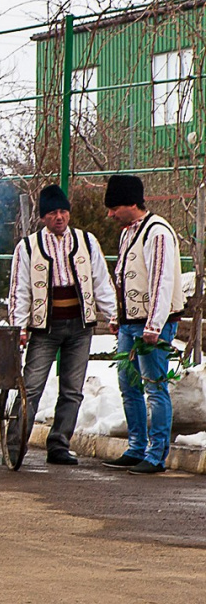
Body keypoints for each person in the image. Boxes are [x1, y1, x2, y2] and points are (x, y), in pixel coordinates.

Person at [7, 184, 116, 466]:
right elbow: (20, 290)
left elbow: (101, 280)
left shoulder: (86, 241)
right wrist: (18, 326)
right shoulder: (28, 247)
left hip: (79, 326)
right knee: (31, 386)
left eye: (63, 211)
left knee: (72, 388)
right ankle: (15, 444)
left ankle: (59, 443)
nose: (59, 217)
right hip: (46, 327)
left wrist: (112, 314)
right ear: (43, 217)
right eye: (53, 212)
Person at [102, 174, 186, 475]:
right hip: (129, 323)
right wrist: (117, 316)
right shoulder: (128, 232)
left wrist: (154, 325)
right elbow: (125, 276)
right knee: (129, 385)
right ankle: (136, 446)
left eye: (114, 207)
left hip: (151, 326)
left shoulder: (157, 232)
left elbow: (162, 280)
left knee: (154, 386)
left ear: (131, 203)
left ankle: (156, 453)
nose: (110, 214)